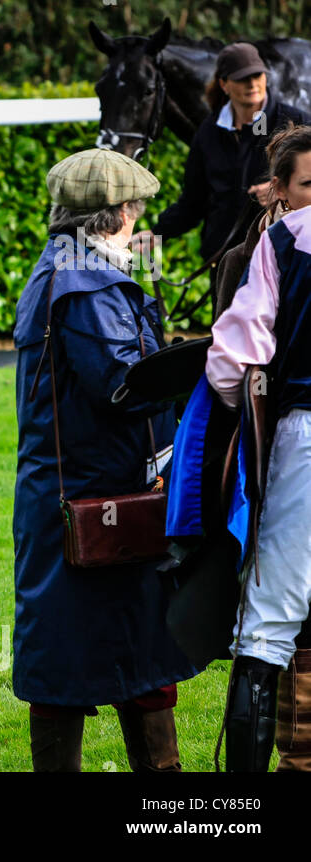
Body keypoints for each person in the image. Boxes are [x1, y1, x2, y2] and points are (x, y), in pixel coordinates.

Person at [13, 148, 199, 771]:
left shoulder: (67, 268)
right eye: (136, 209)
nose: (141, 219)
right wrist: (210, 363)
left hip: (96, 496)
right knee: (74, 658)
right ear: (116, 213)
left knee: (127, 648)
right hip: (93, 501)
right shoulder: (84, 283)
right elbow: (122, 383)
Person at [206, 123, 311, 771]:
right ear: (279, 187)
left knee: (267, 628)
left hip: (304, 436)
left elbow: (231, 360)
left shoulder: (279, 240)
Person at [132, 42, 311, 305]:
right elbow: (193, 202)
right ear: (224, 84)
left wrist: (281, 192)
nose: (252, 84)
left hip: (285, 260)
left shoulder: (297, 122)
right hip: (226, 265)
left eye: (257, 75)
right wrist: (157, 232)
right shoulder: (208, 132)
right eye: (242, 78)